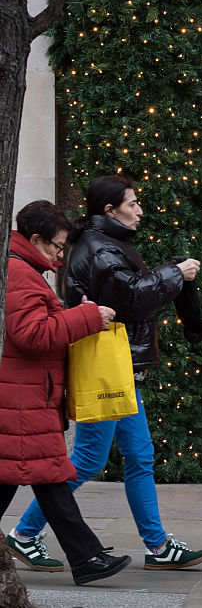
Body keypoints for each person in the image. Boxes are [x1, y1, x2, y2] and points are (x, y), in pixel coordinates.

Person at [7, 176, 202, 571]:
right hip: (107, 369)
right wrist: (175, 272)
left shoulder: (104, 244)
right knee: (87, 459)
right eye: (132, 204)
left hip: (117, 368)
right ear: (109, 210)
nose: (139, 211)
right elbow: (134, 297)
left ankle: (156, 544)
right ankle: (25, 534)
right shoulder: (99, 249)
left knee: (137, 455)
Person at [2, 200, 132, 585]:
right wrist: (89, 316)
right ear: (35, 238)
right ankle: (87, 558)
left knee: (36, 477)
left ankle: (87, 558)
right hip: (24, 398)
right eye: (56, 247)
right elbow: (31, 334)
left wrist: (71, 315)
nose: (60, 257)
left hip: (24, 395)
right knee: (49, 478)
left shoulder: (21, 269)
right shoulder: (20, 273)